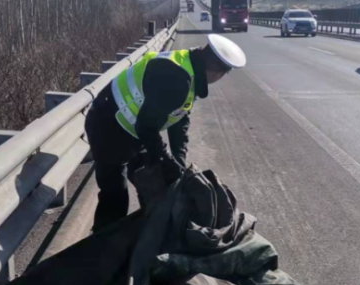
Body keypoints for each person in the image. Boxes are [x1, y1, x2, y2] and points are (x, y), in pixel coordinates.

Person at [84, 33, 246, 230]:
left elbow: (179, 119)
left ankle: (148, 238)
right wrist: (166, 161)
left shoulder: (190, 66)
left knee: (158, 187)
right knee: (115, 195)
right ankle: (101, 250)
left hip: (133, 129)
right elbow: (146, 127)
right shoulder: (177, 79)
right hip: (107, 125)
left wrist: (178, 162)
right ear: (219, 73)